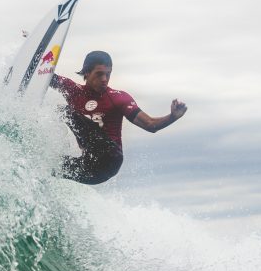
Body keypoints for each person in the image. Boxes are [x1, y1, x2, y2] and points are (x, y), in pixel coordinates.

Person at [51, 50, 187, 185]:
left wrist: (172, 117)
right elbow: (46, 76)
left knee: (64, 111)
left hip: (109, 160)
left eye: (108, 74)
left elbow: (150, 124)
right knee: (48, 164)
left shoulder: (118, 98)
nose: (104, 79)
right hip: (89, 168)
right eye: (99, 74)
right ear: (87, 72)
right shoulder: (73, 90)